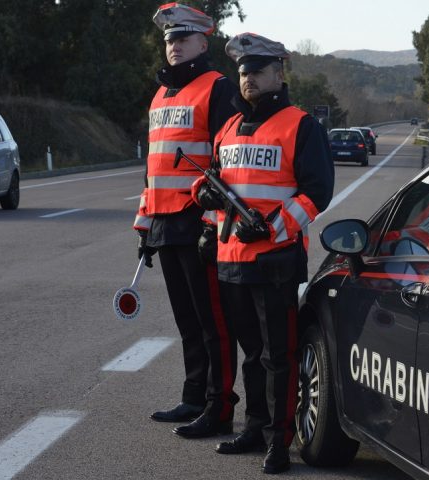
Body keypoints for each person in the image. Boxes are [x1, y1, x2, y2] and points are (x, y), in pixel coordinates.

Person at [192, 32, 334, 474]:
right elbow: (213, 181)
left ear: (278, 72)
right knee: (251, 353)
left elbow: (316, 193)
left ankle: (279, 440)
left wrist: (272, 229)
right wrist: (204, 202)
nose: (248, 79)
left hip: (274, 260)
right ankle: (253, 428)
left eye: (256, 70)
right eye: (242, 72)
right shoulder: (228, 128)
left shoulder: (301, 125)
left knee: (278, 355)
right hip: (231, 260)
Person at [133, 3, 238, 438]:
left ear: (202, 41)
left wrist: (213, 226)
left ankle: (219, 407)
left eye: (183, 38)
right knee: (186, 320)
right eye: (169, 39)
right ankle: (194, 397)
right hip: (164, 222)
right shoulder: (160, 94)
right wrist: (144, 227)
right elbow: (153, 168)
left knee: (213, 320)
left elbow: (227, 163)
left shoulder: (217, 88)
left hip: (198, 225)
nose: (173, 46)